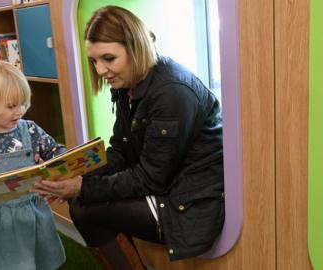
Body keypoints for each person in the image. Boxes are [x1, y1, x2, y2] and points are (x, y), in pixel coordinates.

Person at [31, 5, 225, 270]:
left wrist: (82, 187)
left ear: (135, 47)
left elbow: (150, 178)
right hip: (168, 185)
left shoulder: (172, 93)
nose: (100, 70)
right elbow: (121, 151)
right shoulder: (130, 83)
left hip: (190, 201)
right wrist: (78, 175)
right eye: (94, 61)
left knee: (85, 208)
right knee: (83, 202)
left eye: (108, 58)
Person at [0, 61, 66, 270]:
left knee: (40, 258)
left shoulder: (31, 130)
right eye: (10, 106)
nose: (19, 111)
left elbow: (54, 150)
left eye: (23, 103)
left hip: (32, 212)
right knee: (6, 263)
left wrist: (63, 160)